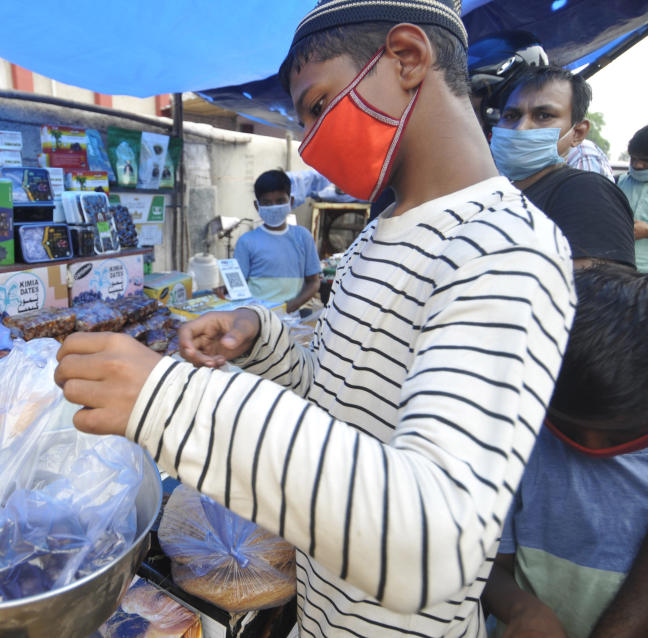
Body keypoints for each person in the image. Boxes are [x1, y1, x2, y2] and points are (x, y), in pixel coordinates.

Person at [54, 1, 575, 636]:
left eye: (319, 105)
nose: (310, 142)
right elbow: (337, 408)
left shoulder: (505, 249)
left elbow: (438, 538)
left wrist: (168, 402)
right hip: (325, 610)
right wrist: (261, 337)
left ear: (407, 59)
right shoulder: (375, 239)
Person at [482, 264, 648, 638]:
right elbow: (491, 566)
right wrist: (522, 609)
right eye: (570, 425)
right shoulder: (525, 443)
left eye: (615, 429)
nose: (590, 445)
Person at [491, 65, 635, 267]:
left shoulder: (587, 192)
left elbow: (598, 293)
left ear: (578, 133)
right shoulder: (498, 194)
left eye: (544, 116)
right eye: (511, 116)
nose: (521, 128)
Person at [232, 169, 322, 313]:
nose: (273, 207)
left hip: (293, 314)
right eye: (267, 202)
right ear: (257, 206)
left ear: (290, 201)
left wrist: (292, 305)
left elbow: (314, 282)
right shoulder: (246, 242)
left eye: (280, 201)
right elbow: (237, 287)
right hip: (257, 315)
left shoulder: (303, 236)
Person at [617, 125, 648, 272]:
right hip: (619, 271)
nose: (637, 165)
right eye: (633, 159)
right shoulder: (618, 182)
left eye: (645, 160)